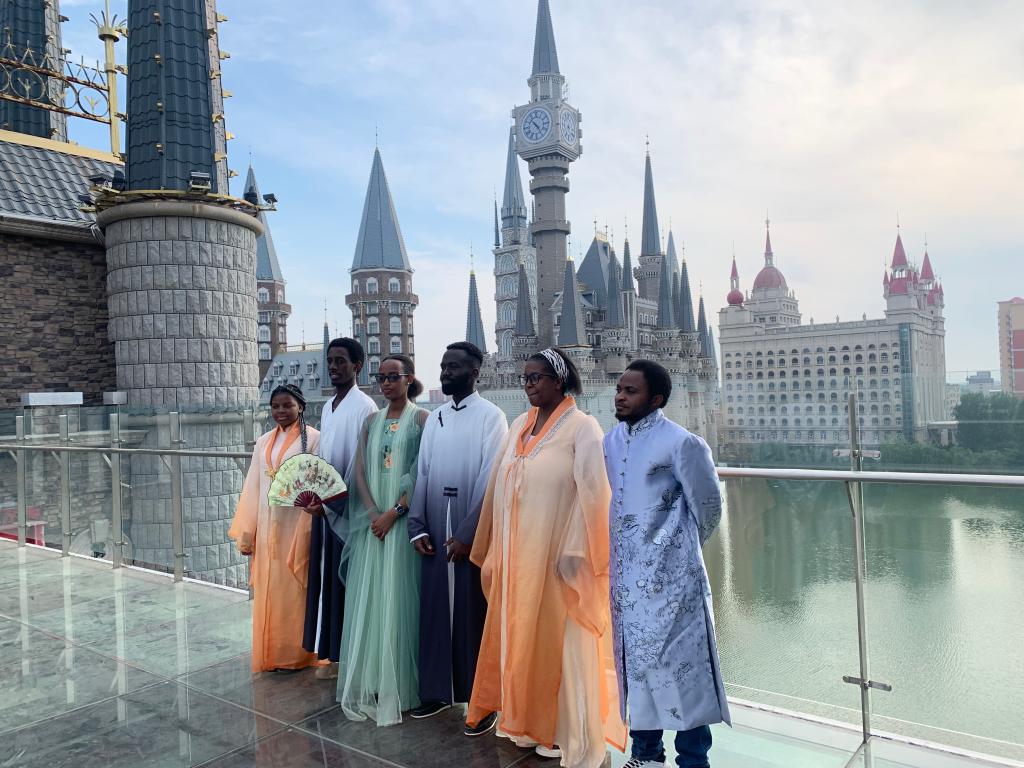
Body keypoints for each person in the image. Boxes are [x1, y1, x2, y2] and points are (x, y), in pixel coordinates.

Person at [467, 348, 625, 768]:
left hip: (558, 561)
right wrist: (495, 546)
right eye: (525, 378)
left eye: (536, 377)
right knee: (520, 637)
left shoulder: (583, 428)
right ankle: (526, 723)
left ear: (559, 380)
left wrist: (576, 553)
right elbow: (498, 487)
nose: (528, 385)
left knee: (558, 644)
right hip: (517, 558)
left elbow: (595, 495)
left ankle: (561, 730)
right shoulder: (520, 424)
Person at [603, 360, 730, 768]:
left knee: (684, 672)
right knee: (637, 669)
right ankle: (646, 755)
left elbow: (708, 508)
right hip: (627, 583)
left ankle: (693, 759)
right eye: (619, 389)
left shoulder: (682, 443)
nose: (620, 397)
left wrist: (677, 555)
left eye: (631, 391)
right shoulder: (611, 442)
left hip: (676, 586)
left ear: (656, 399)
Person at [408, 341, 508, 735]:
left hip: (471, 529)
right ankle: (437, 692)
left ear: (474, 372)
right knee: (435, 610)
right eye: (443, 366)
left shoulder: (492, 416)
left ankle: (481, 702)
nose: (446, 373)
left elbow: (490, 477)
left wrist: (469, 533)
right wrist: (418, 525)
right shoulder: (435, 417)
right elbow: (423, 472)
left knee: (473, 613)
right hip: (435, 520)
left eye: (454, 367)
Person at [337, 354, 430, 725]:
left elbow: (421, 472)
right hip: (373, 526)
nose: (387, 383)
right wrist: (373, 513)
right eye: (382, 377)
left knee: (398, 599)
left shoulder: (422, 420)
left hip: (401, 526)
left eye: (394, 376)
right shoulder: (371, 421)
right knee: (373, 598)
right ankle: (374, 679)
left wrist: (394, 512)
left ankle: (403, 684)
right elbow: (359, 471)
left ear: (409, 379)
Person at [229, 384, 320, 673]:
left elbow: (316, 485)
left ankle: (299, 654)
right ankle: (274, 652)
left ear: (300, 407)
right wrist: (248, 533)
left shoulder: (314, 439)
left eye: (287, 405)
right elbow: (252, 487)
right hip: (267, 526)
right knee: (271, 591)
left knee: (295, 590)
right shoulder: (263, 441)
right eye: (276, 406)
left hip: (296, 525)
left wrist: (307, 528)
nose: (281, 411)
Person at [303, 338, 378, 680]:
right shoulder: (328, 407)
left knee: (346, 582)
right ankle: (332, 653)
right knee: (326, 581)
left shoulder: (365, 407)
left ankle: (352, 655)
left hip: (348, 508)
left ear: (357, 366)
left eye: (340, 361)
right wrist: (316, 495)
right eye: (330, 361)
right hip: (325, 506)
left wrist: (333, 503)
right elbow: (323, 460)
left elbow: (361, 464)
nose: (333, 367)